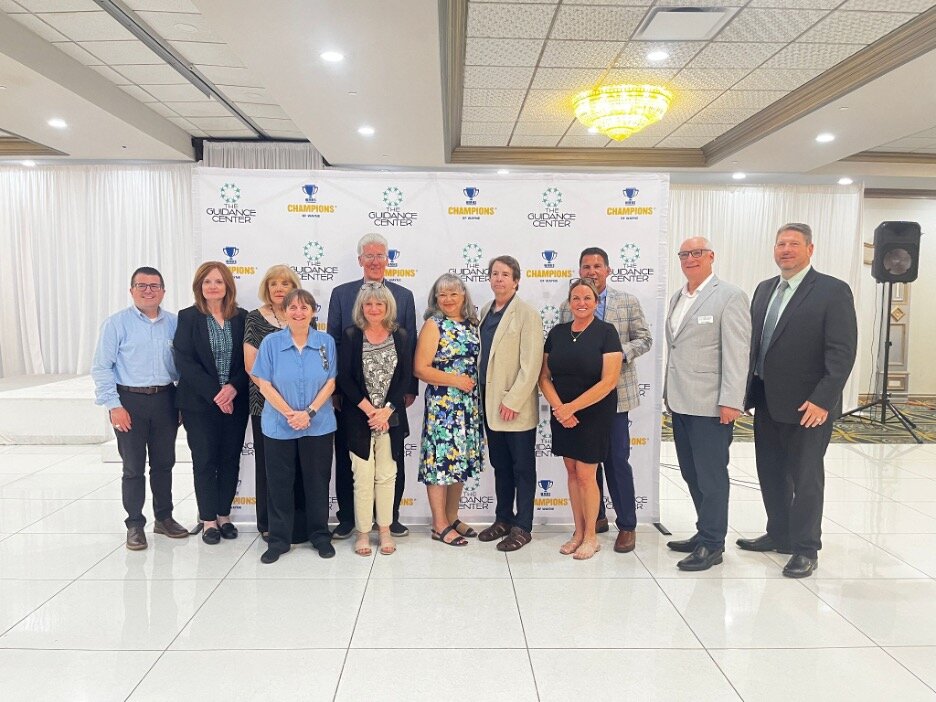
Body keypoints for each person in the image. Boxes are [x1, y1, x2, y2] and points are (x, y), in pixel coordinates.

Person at [740, 223, 857, 578]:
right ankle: (779, 533)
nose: (785, 250)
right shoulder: (764, 289)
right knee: (771, 472)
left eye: (793, 244)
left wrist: (823, 399)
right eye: (780, 244)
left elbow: (842, 351)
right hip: (766, 401)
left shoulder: (832, 291)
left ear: (810, 248)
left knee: (806, 477)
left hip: (809, 407)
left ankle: (806, 547)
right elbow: (758, 347)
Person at [663, 238, 751, 571]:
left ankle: (713, 545)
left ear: (711, 256)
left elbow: (737, 353)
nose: (689, 259)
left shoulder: (729, 296)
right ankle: (704, 532)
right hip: (681, 402)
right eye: (684, 254)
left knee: (712, 476)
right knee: (691, 473)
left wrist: (731, 400)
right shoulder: (678, 297)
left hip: (712, 406)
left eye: (696, 253)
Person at [560, 247, 652, 553]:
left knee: (615, 461)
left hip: (615, 397)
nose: (591, 271)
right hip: (577, 399)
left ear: (608, 270)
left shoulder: (627, 301)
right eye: (586, 266)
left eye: (597, 266)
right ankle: (593, 521)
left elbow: (645, 338)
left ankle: (626, 525)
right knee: (586, 467)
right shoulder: (567, 305)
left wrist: (616, 354)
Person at [327, 233, 418, 540]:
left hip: (392, 397)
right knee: (352, 459)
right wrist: (338, 393)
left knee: (392, 459)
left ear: (388, 259)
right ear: (360, 261)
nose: (376, 261)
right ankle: (348, 518)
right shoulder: (341, 294)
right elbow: (335, 343)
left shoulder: (403, 296)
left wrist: (408, 391)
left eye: (381, 256)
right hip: (352, 398)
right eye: (370, 256)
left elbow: (411, 347)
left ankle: (390, 519)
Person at [91, 266, 188, 550]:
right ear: (132, 290)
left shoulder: (174, 323)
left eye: (154, 286)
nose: (148, 290)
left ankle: (164, 518)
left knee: (164, 463)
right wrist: (113, 405)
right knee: (133, 467)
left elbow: (181, 367)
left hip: (165, 399)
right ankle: (135, 524)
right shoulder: (116, 324)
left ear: (163, 291)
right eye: (142, 285)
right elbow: (101, 367)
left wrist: (181, 401)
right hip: (129, 401)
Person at [251, 289, 338, 563]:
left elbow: (331, 382)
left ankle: (320, 535)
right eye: (293, 308)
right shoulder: (270, 343)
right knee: (279, 483)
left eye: (304, 308)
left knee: (316, 482)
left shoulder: (326, 342)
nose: (299, 313)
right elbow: (264, 383)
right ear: (284, 312)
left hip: (319, 424)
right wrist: (291, 413)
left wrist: (309, 413)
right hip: (279, 424)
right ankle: (278, 539)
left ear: (313, 311)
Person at [541, 278, 623, 560]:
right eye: (576, 298)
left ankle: (591, 537)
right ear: (569, 302)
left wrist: (572, 408)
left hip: (593, 412)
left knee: (587, 475)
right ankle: (577, 532)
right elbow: (544, 377)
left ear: (596, 302)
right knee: (572, 473)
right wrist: (560, 408)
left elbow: (609, 381)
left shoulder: (606, 332)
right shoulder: (557, 332)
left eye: (587, 298)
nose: (581, 303)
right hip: (562, 414)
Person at [174, 262, 250, 545]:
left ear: (228, 285)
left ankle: (224, 516)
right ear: (199, 287)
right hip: (200, 405)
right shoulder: (188, 317)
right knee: (204, 461)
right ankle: (208, 520)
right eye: (207, 282)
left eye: (218, 281)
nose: (213, 286)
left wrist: (232, 388)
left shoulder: (242, 318)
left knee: (230, 460)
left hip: (235, 401)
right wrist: (215, 394)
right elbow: (184, 361)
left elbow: (249, 361)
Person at [337, 283, 413, 557]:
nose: (373, 309)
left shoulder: (400, 336)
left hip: (390, 419)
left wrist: (387, 410)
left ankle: (385, 530)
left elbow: (404, 378)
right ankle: (362, 533)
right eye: (368, 304)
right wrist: (370, 410)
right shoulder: (351, 335)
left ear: (387, 307)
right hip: (360, 418)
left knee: (387, 476)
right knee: (363, 477)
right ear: (361, 307)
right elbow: (344, 377)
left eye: (379, 304)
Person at [476, 256, 544, 552]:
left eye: (505, 274)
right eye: (494, 274)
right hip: (490, 405)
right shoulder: (484, 312)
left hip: (513, 406)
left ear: (516, 280)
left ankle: (523, 526)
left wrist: (514, 400)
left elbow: (531, 365)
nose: (499, 279)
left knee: (522, 468)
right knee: (500, 466)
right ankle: (503, 519)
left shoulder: (527, 314)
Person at [414, 273, 485, 547]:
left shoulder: (471, 323)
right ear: (436, 298)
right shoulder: (434, 325)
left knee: (460, 462)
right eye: (442, 295)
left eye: (454, 294)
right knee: (441, 464)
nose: (448, 300)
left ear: (463, 296)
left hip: (467, 404)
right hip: (444, 405)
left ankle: (452, 516)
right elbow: (420, 368)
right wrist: (455, 380)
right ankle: (439, 524)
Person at [244, 265, 307, 544]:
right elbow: (252, 367)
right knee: (270, 466)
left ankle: (298, 524)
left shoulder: (302, 315)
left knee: (299, 465)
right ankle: (268, 523)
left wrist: (298, 407)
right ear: (266, 289)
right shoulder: (255, 319)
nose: (279, 289)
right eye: (274, 284)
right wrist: (280, 402)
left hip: (301, 409)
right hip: (266, 405)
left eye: (285, 283)